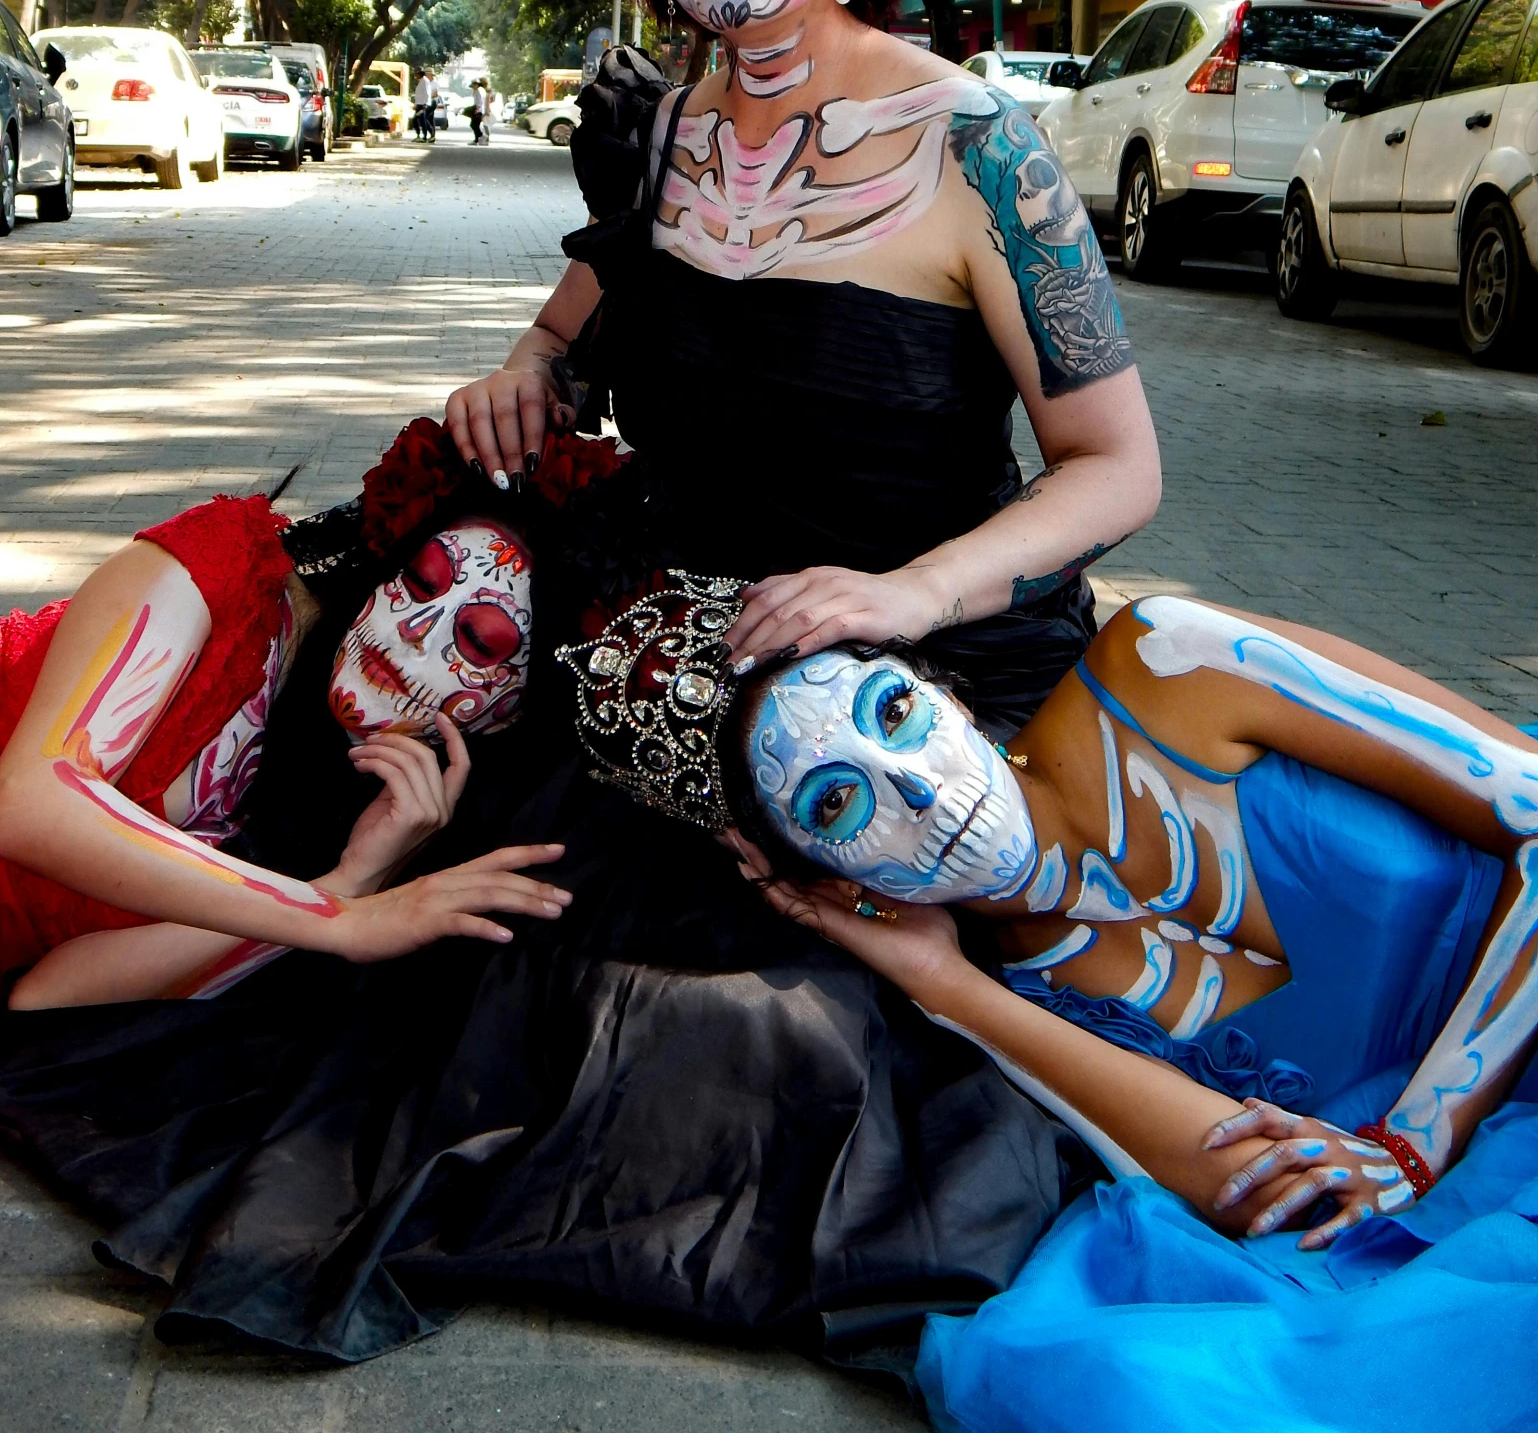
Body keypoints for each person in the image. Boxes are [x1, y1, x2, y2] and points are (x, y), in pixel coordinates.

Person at [0, 0, 1159, 1360]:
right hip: (651, 648)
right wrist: (520, 381)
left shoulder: (983, 149)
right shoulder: (657, 135)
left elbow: (1115, 469)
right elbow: (578, 329)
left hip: (893, 665)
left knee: (758, 1045)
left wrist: (899, 598)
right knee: (483, 964)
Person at [567, 581, 1538, 1433]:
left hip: (1477, 1104)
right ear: (825, 879)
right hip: (1494, 1177)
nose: (913, 784)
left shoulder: (1170, 665)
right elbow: (1280, 1194)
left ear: (942, 687)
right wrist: (947, 987)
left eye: (894, 709)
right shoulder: (1028, 993)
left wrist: (1421, 1131)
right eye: (834, 803)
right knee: (1136, 1385)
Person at [0, 476, 572, 1295]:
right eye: (419, 581)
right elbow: (28, 806)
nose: (413, 628)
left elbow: (47, 1000)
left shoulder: (295, 814)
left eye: (481, 641)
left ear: (507, 712)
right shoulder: (227, 570)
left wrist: (353, 877)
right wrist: (335, 919)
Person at [412, 69, 435, 142]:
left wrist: (426, 104)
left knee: (420, 120)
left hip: (423, 104)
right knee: (419, 120)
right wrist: (415, 104)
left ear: (420, 74)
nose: (415, 76)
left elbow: (427, 92)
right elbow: (419, 95)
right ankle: (422, 135)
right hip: (419, 103)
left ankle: (424, 136)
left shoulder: (425, 81)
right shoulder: (421, 81)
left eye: (416, 74)